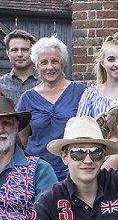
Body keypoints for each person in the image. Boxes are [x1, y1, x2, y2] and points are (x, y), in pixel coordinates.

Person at [16, 36, 85, 181]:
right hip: (38, 172)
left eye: (55, 61)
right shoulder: (27, 99)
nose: (50, 67)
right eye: (43, 62)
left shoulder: (79, 92)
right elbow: (24, 139)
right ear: (36, 66)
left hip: (73, 171)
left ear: (62, 63)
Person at [0, 29, 40, 105]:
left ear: (33, 52)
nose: (19, 54)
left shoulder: (45, 82)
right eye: (14, 50)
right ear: (7, 53)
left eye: (24, 50)